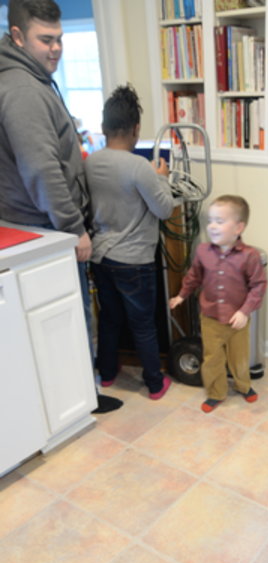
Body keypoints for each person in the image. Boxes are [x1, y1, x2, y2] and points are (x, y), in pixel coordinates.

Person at [0, 0, 122, 414]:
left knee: (65, 319)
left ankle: (81, 398)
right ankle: (81, 403)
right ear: (18, 36)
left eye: (60, 40)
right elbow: (41, 169)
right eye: (45, 39)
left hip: (41, 225)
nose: (56, 49)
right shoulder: (22, 90)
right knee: (68, 320)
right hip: (46, 229)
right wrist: (74, 228)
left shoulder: (31, 79)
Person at [85, 84, 175, 400]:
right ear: (136, 129)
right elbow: (164, 209)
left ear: (103, 127)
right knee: (143, 324)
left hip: (101, 256)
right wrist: (161, 177)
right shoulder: (139, 166)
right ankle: (154, 383)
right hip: (134, 260)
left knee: (110, 318)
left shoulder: (90, 162)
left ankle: (107, 372)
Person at [169, 195, 267, 413]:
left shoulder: (249, 256)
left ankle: (243, 385)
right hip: (210, 318)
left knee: (239, 357)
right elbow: (193, 276)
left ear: (238, 227)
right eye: (210, 221)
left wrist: (245, 311)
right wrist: (181, 296)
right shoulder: (203, 251)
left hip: (237, 321)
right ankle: (216, 392)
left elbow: (258, 286)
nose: (212, 226)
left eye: (219, 221)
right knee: (212, 358)